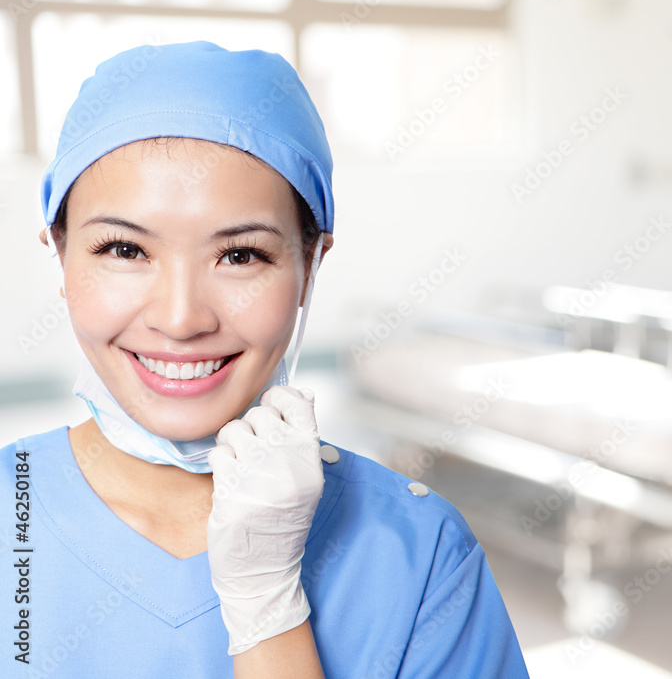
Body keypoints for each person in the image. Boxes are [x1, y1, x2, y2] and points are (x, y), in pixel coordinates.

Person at [1, 40, 531, 678]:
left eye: (240, 255)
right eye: (124, 249)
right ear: (60, 256)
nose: (180, 318)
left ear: (311, 266)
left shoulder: (422, 558)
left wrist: (268, 608)